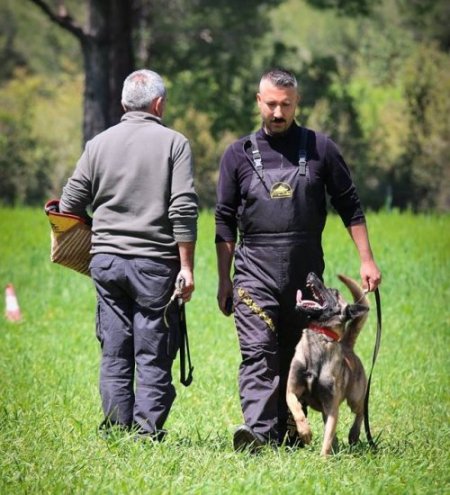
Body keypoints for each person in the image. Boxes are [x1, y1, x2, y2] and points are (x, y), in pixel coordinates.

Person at [215, 68, 381, 451]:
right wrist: (224, 280)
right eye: (270, 104)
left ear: (297, 103)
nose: (277, 112)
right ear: (258, 101)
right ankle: (258, 434)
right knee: (259, 353)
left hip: (306, 279)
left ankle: (289, 430)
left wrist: (367, 260)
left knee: (296, 355)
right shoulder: (236, 156)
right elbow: (223, 220)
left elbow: (350, 206)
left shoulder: (321, 148)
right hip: (253, 272)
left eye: (285, 105)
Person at [60, 69, 198, 439]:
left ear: (124, 104)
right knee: (152, 350)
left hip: (105, 263)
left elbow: (70, 203)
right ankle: (146, 433)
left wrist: (101, 235)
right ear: (159, 104)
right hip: (155, 264)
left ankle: (116, 429)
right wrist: (186, 267)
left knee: (115, 350)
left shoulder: (98, 144)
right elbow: (183, 208)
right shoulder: (175, 143)